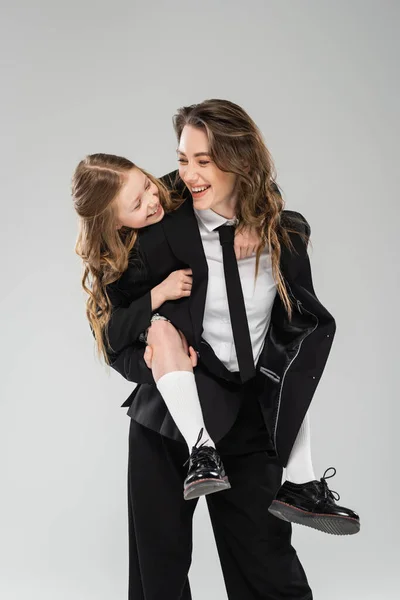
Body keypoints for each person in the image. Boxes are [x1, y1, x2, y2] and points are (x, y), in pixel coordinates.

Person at [73, 99, 360, 600]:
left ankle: (305, 483)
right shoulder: (155, 231)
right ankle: (201, 452)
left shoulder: (278, 231)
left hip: (249, 420)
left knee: (268, 568)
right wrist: (150, 357)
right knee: (157, 575)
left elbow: (298, 324)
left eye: (203, 161)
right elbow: (115, 330)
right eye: (183, 159)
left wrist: (260, 212)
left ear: (239, 161)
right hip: (168, 421)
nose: (188, 175)